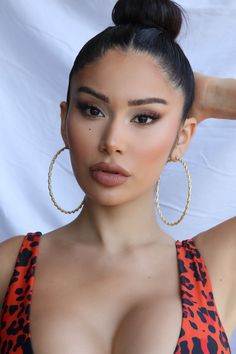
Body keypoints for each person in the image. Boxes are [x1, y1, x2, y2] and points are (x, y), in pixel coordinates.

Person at [0, 0, 235, 353]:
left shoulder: (217, 264)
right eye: (92, 110)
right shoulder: (11, 267)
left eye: (144, 117)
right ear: (65, 121)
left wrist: (213, 94)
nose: (111, 142)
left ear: (182, 137)